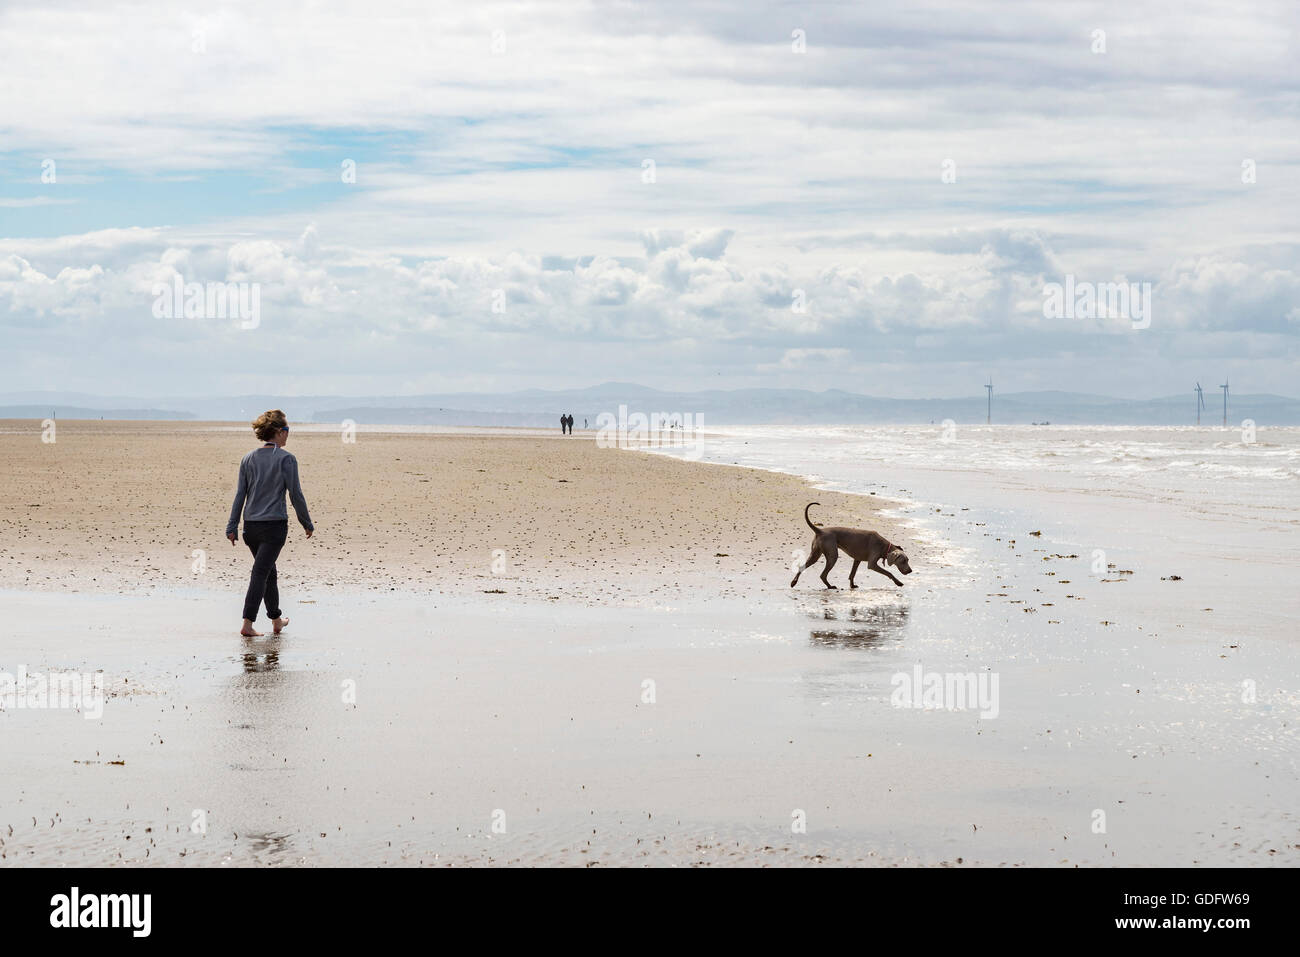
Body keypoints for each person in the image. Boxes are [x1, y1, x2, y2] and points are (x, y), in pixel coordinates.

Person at [225, 410, 314, 637]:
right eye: (286, 431)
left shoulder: (248, 458)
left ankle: (276, 620)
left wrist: (232, 526)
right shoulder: (287, 459)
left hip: (250, 528)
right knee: (260, 572)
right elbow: (296, 494)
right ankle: (247, 623)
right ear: (278, 432)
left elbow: (239, 495)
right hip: (273, 527)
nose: (287, 436)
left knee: (268, 572)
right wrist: (306, 522)